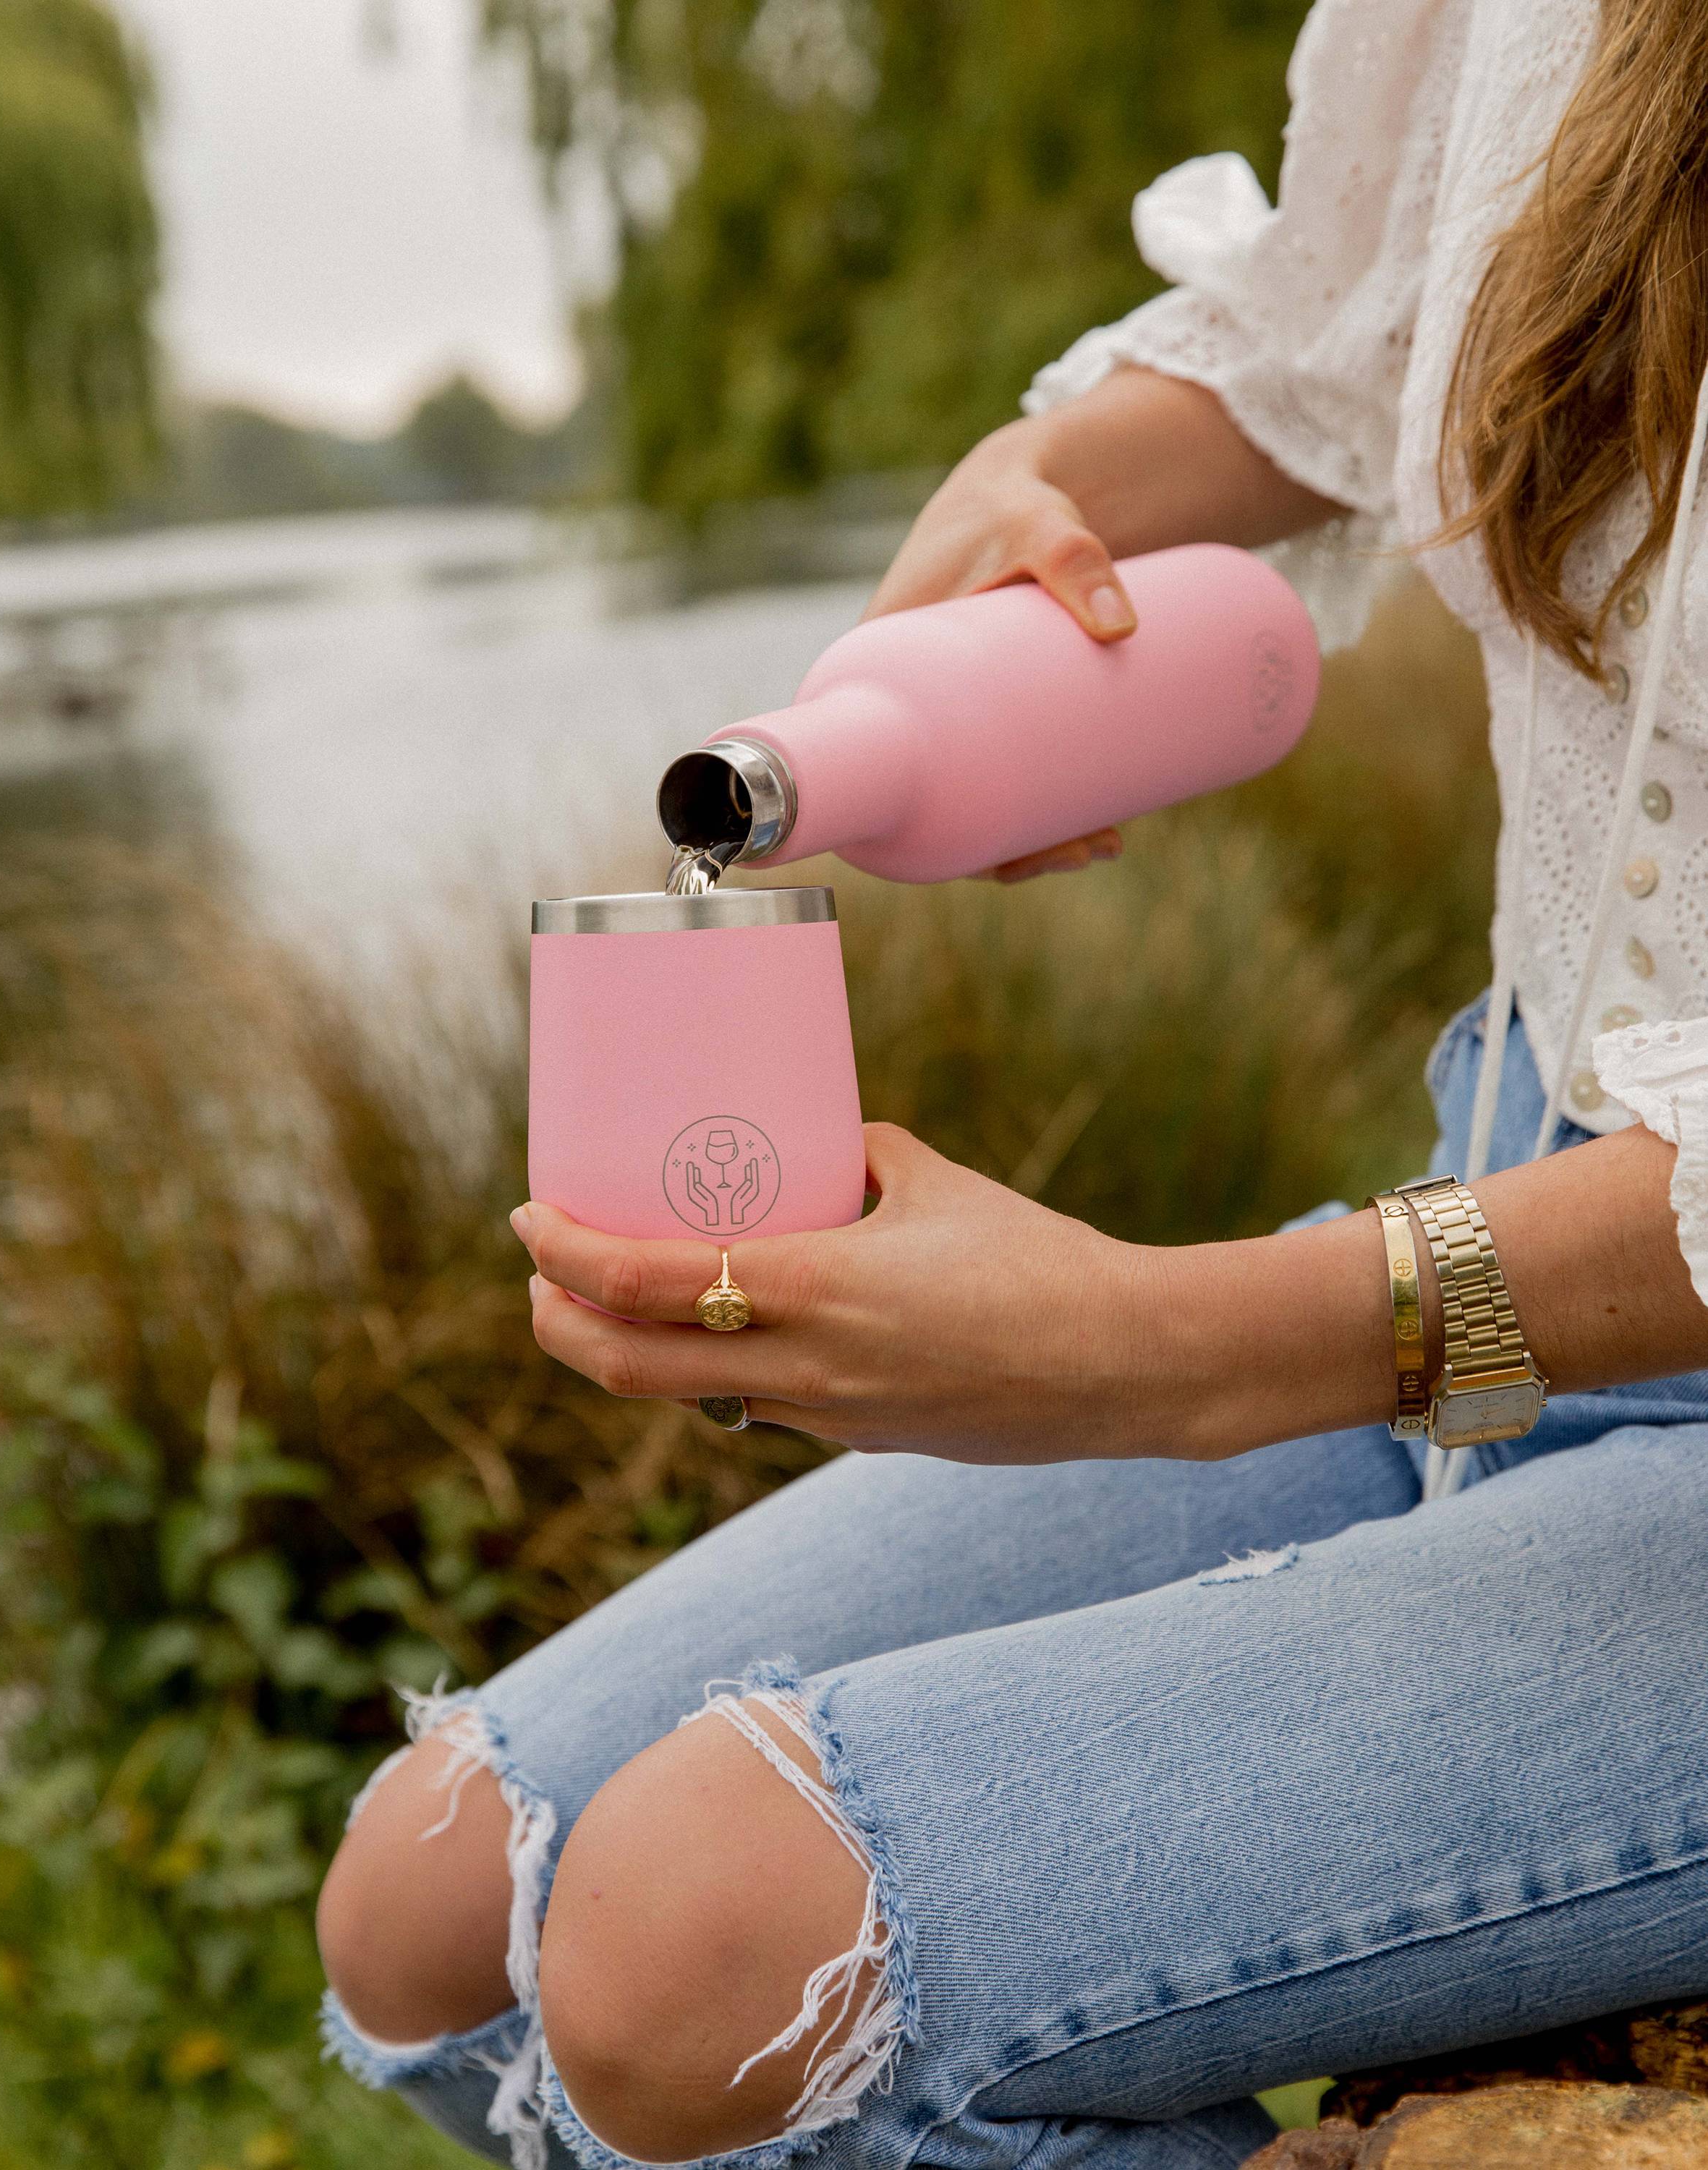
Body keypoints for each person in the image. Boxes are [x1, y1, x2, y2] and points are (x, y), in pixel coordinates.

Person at [315, 4, 1708, 2165]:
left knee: (701, 1956)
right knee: (430, 1894)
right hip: (1505, 1211)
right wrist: (1050, 486)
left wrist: (1166, 1351)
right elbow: (1339, 331)